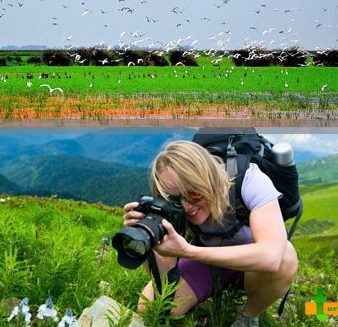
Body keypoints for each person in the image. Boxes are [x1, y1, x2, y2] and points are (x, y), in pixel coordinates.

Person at [123, 140, 298, 327]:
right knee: (151, 307)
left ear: (209, 180)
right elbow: (165, 280)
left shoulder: (249, 179)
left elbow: (272, 257)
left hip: (253, 266)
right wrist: (146, 238)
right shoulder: (175, 206)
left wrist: (188, 252)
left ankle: (248, 316)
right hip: (206, 260)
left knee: (285, 256)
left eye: (194, 194)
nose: (187, 207)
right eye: (174, 199)